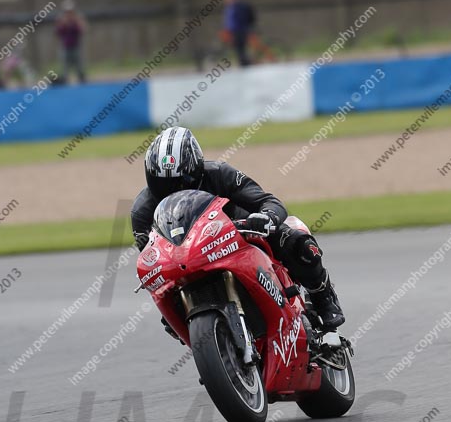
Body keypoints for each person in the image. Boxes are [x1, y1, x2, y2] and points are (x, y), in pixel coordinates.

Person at [131, 127, 345, 332]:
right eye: (163, 183)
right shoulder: (142, 210)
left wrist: (265, 218)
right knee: (168, 313)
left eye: (182, 182)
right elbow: (152, 257)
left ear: (196, 169)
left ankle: (322, 297)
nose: (174, 189)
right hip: (188, 257)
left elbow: (268, 201)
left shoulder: (219, 174)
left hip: (239, 233)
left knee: (299, 244)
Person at [222, 0, 256, 67]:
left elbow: (249, 16)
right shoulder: (228, 8)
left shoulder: (240, 6)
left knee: (241, 47)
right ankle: (243, 62)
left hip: (240, 30)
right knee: (237, 48)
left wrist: (247, 26)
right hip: (231, 31)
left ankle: (245, 63)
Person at [55, 0, 87, 83]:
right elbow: (58, 32)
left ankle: (82, 82)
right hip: (65, 47)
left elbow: (83, 30)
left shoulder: (77, 19)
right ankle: (65, 83)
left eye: (70, 11)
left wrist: (77, 21)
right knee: (65, 69)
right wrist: (63, 23)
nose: (68, 13)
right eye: (67, 11)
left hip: (76, 46)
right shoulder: (61, 20)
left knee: (80, 68)